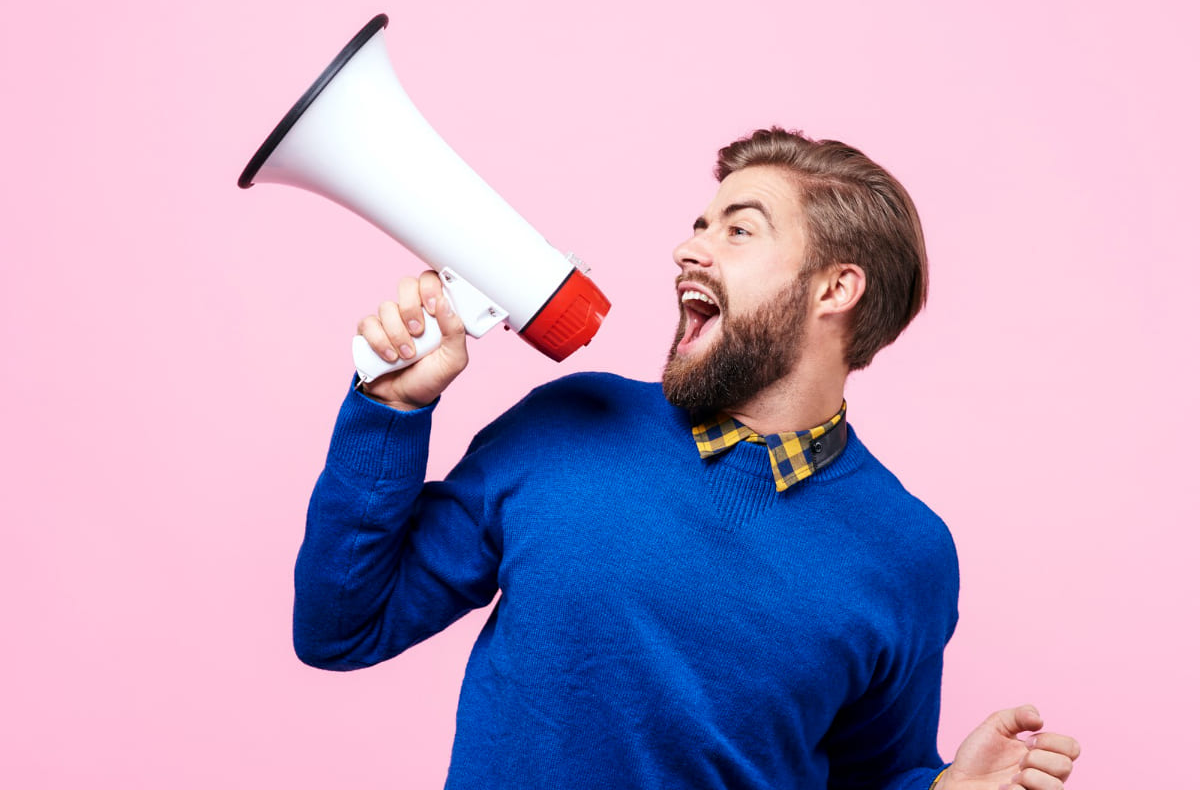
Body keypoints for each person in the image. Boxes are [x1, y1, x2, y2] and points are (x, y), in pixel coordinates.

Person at [294, 128, 1081, 790]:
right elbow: (341, 628)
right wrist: (390, 410)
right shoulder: (567, 423)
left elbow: (870, 774)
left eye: (737, 230)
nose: (687, 250)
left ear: (834, 288)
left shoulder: (908, 553)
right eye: (699, 225)